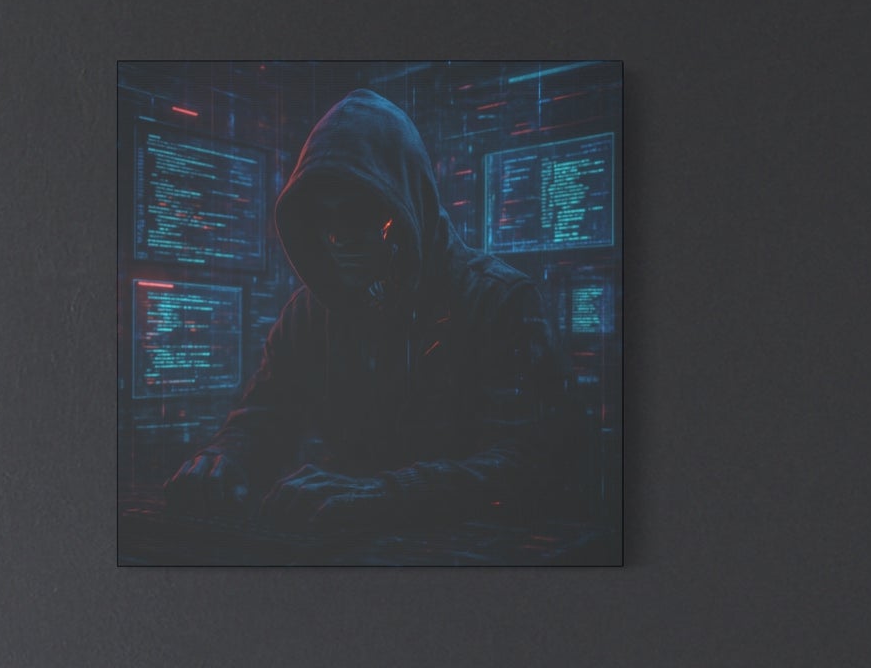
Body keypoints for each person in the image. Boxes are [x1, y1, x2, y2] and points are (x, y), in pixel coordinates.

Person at [164, 89, 569, 538]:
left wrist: (386, 496)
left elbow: (527, 464)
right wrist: (224, 458)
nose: (338, 238)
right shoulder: (308, 316)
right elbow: (266, 414)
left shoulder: (500, 301)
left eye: (358, 213)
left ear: (404, 200)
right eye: (324, 218)